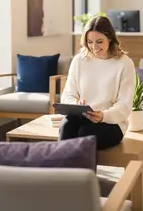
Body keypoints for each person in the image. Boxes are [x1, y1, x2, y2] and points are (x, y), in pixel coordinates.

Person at [58, 16, 136, 150]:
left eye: (99, 41)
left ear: (110, 38)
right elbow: (68, 95)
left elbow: (124, 105)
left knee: (85, 134)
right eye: (90, 42)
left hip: (112, 122)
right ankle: (64, 170)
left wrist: (103, 116)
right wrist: (75, 105)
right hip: (82, 117)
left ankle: (80, 171)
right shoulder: (79, 60)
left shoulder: (124, 63)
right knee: (66, 127)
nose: (94, 47)